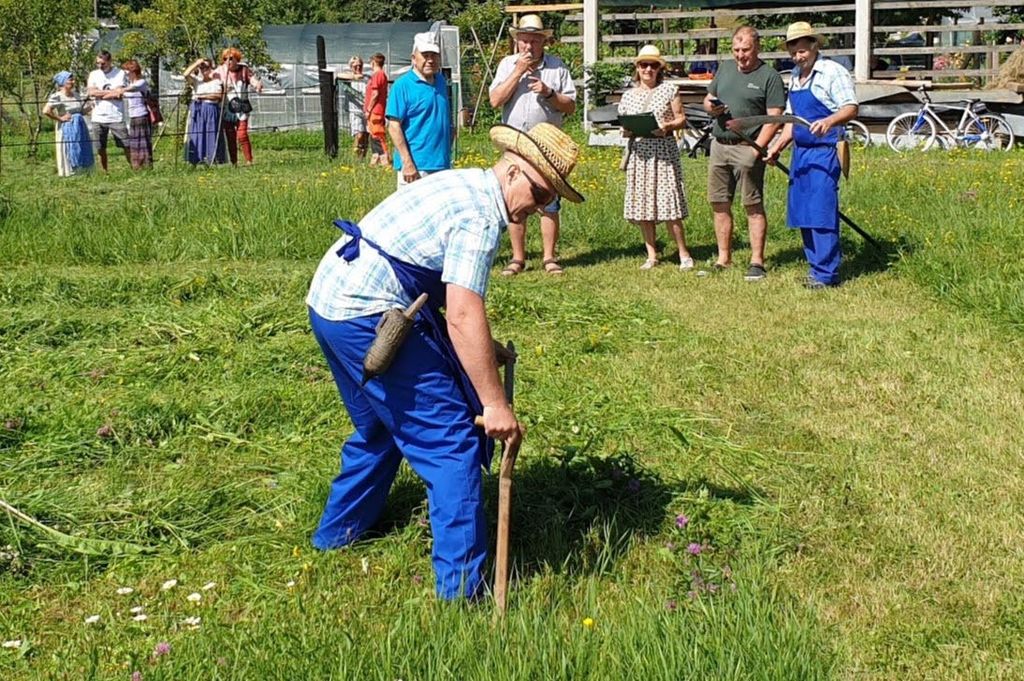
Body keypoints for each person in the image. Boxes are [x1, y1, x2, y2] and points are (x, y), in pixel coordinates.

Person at [305, 122, 584, 600]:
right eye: (540, 193)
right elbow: (461, 313)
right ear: (513, 171)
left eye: (549, 201)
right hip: (363, 313)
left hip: (329, 302)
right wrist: (494, 404)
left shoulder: (465, 184)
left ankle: (336, 536)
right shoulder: (480, 217)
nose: (539, 207)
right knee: (452, 442)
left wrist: (483, 349)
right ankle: (462, 596)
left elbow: (438, 283)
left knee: (381, 429)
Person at [766, 22, 859, 289]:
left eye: (802, 51)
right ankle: (815, 268)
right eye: (793, 53)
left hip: (826, 151)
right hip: (801, 153)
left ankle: (827, 274)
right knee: (804, 211)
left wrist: (829, 121)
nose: (798, 57)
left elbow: (851, 107)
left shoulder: (832, 72)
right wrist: (777, 147)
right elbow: (792, 120)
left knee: (821, 211)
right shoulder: (795, 76)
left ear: (815, 46)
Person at [488, 14, 576, 276]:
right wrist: (517, 72)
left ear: (543, 42)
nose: (528, 47)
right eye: (524, 41)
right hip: (515, 144)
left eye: (534, 41)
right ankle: (518, 258)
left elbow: (570, 106)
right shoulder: (507, 65)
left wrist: (549, 93)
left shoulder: (557, 67)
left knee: (549, 202)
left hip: (547, 147)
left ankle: (549, 258)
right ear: (517, 41)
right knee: (515, 202)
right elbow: (495, 100)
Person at [703, 27, 786, 281]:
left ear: (757, 47)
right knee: (719, 203)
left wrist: (756, 148)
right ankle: (723, 258)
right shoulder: (725, 68)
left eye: (746, 50)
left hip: (748, 147)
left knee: (752, 204)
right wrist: (712, 109)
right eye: (736, 50)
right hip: (720, 146)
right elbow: (708, 99)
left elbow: (774, 118)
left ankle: (757, 261)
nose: (740, 55)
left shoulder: (769, 76)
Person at [618, 45, 692, 270]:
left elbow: (681, 118)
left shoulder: (669, 89)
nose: (648, 69)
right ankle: (651, 254)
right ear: (637, 68)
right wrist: (627, 129)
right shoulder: (628, 95)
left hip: (663, 152)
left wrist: (667, 126)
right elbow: (623, 123)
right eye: (644, 65)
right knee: (643, 205)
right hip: (639, 153)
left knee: (670, 204)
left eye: (653, 65)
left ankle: (683, 253)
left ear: (660, 68)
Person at [386, 32, 452, 188]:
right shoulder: (402, 86)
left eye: (434, 55)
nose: (430, 60)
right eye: (425, 55)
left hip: (441, 164)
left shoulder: (441, 82)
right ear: (414, 58)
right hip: (416, 168)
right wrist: (407, 162)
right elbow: (394, 126)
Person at [212, 48, 263, 165]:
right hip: (227, 109)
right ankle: (234, 162)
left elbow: (252, 80)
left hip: (242, 108)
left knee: (242, 135)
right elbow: (210, 79)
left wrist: (257, 85)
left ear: (237, 59)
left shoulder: (244, 70)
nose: (228, 61)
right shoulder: (220, 71)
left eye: (231, 58)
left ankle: (249, 160)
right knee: (230, 136)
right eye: (225, 59)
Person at [42, 71, 94, 177]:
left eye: (73, 80)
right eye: (70, 80)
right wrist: (59, 118)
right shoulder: (57, 96)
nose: (73, 82)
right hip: (67, 126)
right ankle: (69, 171)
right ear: (63, 82)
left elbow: (81, 111)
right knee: (68, 148)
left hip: (79, 126)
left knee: (81, 146)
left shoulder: (76, 95)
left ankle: (83, 170)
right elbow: (46, 111)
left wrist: (92, 106)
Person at [86, 50, 129, 172]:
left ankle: (134, 169)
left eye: (103, 63)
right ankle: (104, 172)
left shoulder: (120, 73)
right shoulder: (94, 74)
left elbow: (119, 92)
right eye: (98, 63)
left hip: (116, 116)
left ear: (110, 61)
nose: (100, 66)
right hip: (98, 116)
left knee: (126, 144)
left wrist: (101, 93)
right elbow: (91, 92)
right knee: (100, 147)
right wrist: (111, 93)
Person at [183, 58, 226, 166]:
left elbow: (217, 96)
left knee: (211, 133)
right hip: (198, 109)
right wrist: (196, 63)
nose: (204, 69)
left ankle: (212, 159)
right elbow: (186, 74)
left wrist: (201, 96)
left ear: (211, 68)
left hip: (211, 109)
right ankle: (196, 159)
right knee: (197, 133)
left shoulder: (216, 81)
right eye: (202, 67)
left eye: (206, 67)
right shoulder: (197, 81)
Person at [120, 60, 153, 170]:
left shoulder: (141, 82)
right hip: (133, 116)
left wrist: (120, 90)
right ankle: (137, 166)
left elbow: (131, 89)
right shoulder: (129, 84)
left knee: (143, 142)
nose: (126, 75)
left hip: (141, 115)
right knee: (134, 143)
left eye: (127, 72)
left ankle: (147, 165)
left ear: (133, 71)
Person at [364, 53, 389, 166]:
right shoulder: (380, 75)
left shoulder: (378, 75)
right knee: (373, 135)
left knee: (378, 135)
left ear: (373, 62)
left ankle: (385, 160)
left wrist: (369, 109)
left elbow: (375, 94)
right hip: (376, 110)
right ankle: (376, 159)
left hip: (375, 110)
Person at [343, 56, 369, 159]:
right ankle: (356, 158)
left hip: (367, 111)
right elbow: (336, 76)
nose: (358, 68)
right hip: (355, 110)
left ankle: (362, 158)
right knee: (359, 135)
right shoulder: (347, 78)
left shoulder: (367, 78)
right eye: (355, 66)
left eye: (360, 65)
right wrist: (354, 77)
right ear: (351, 67)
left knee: (366, 136)